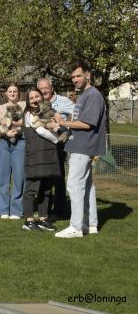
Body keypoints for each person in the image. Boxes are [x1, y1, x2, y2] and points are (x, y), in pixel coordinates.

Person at [54, 61, 107, 238]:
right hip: (79, 145)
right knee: (87, 186)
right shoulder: (83, 95)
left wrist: (63, 122)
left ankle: (75, 226)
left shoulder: (92, 95)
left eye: (78, 76)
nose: (75, 79)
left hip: (84, 146)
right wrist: (63, 121)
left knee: (74, 184)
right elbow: (79, 119)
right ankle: (90, 224)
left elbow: (87, 123)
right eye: (73, 77)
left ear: (88, 75)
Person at [21, 88, 59, 231]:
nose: (35, 100)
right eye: (31, 98)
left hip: (48, 155)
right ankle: (29, 220)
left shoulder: (46, 112)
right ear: (28, 101)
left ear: (41, 97)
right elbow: (41, 131)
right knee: (32, 188)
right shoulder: (28, 114)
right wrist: (57, 140)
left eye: (37, 96)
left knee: (47, 188)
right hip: (35, 156)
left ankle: (43, 218)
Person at [37, 77, 75, 220]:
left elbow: (78, 114)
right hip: (42, 146)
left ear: (51, 88)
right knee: (43, 178)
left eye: (46, 87)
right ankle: (43, 210)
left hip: (58, 145)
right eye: (41, 88)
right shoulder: (38, 103)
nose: (44, 90)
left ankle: (58, 210)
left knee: (58, 177)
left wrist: (65, 127)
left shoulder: (64, 101)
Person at [0, 83, 26, 219]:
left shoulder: (24, 105)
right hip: (4, 143)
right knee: (3, 177)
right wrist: (5, 133)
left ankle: (17, 210)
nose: (12, 93)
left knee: (19, 177)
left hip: (20, 143)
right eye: (10, 91)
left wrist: (11, 123)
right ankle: (3, 209)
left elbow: (28, 122)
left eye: (15, 91)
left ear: (19, 93)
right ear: (6, 94)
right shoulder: (1, 108)